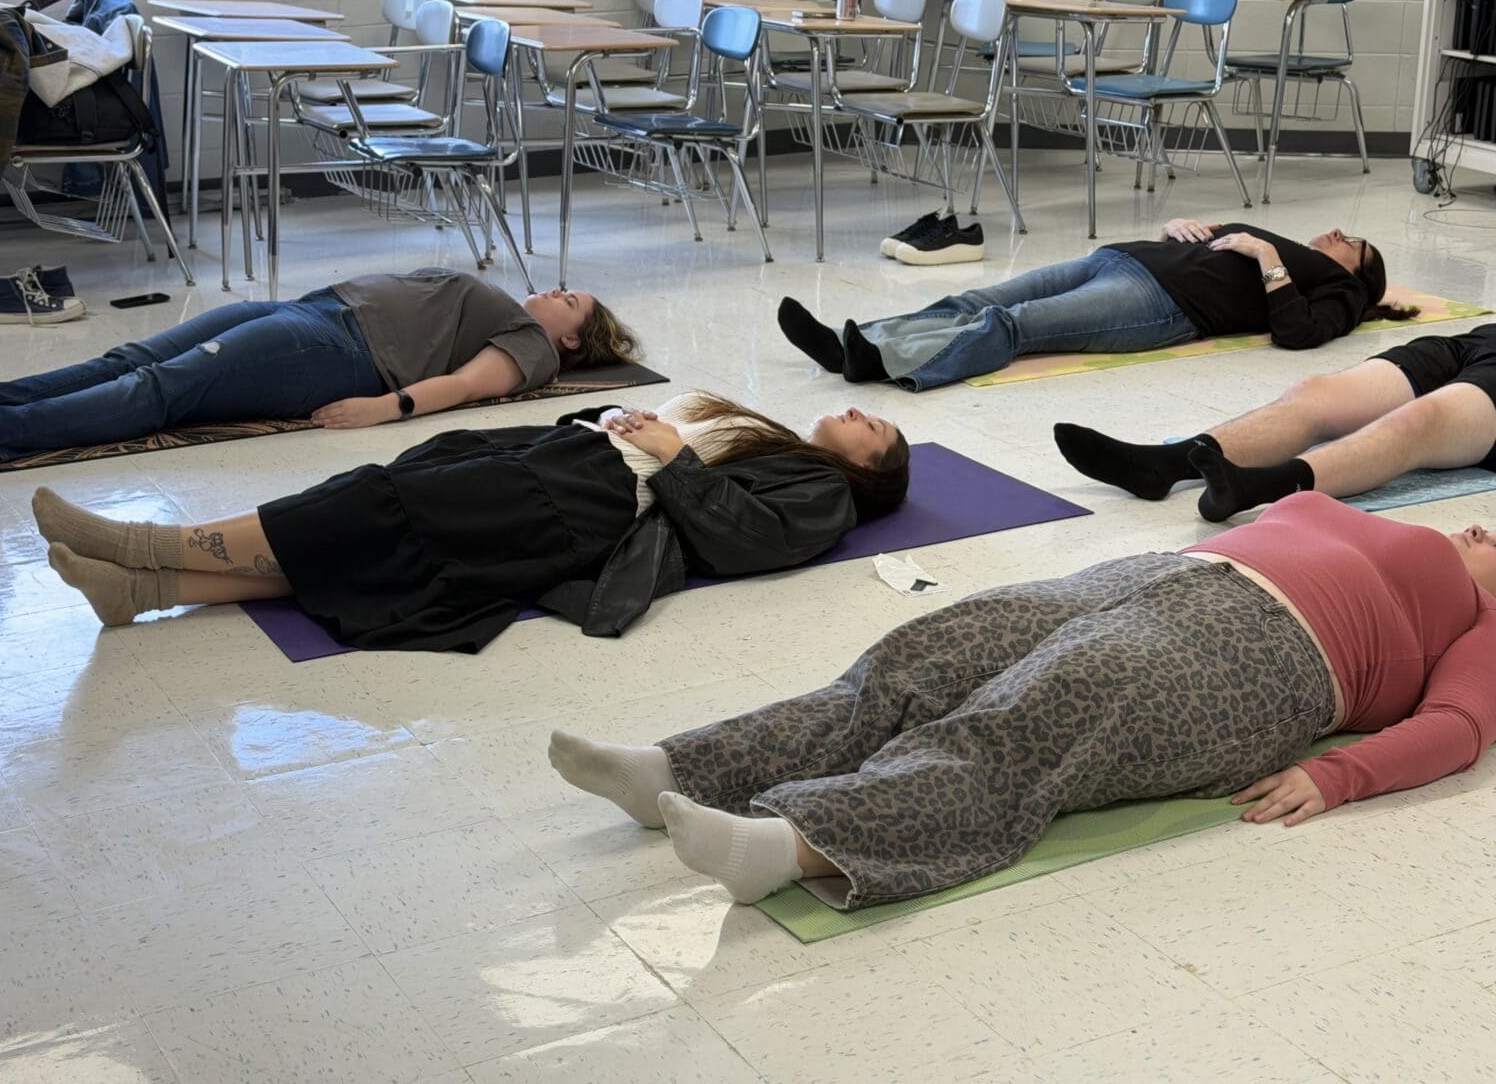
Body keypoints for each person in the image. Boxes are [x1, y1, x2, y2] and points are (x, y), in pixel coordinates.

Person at [551, 491, 1496, 908]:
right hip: (1156, 575)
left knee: (1042, 714)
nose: (1488, 525)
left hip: (1270, 656)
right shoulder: (1397, 525)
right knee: (930, 651)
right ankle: (680, 769)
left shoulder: (1484, 619)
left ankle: (802, 846)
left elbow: (1457, 731)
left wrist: (1339, 777)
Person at [31, 392, 911, 651]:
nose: (855, 414)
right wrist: (620, 421)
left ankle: (141, 547)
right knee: (381, 511)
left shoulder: (824, 491)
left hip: (591, 504)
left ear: (868, 470)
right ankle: (144, 592)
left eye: (873, 428)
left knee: (375, 511)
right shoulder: (771, 437)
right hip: (576, 465)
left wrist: (672, 452)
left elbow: (750, 541)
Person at [0, 269, 638, 461]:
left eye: (567, 299)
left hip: (338, 353)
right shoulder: (519, 313)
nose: (552, 291)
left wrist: (388, 408)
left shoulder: (532, 349)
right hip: (316, 313)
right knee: (139, 353)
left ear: (572, 340)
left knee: (166, 386)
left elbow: (473, 385)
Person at [776, 217, 1414, 391]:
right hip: (1128, 259)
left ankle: (884, 363)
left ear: (1362, 271)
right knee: (980, 294)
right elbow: (1217, 247)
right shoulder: (1304, 256)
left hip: (1160, 301)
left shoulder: (1345, 293)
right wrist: (1185, 228)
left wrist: (1266, 257)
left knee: (1012, 324)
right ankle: (850, 342)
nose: (1334, 235)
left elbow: (1298, 336)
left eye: (1350, 242)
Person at [1055, 323, 1496, 521]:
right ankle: (1161, 465)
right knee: (1313, 394)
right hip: (1478, 340)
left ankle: (1255, 487)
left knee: (1422, 419)